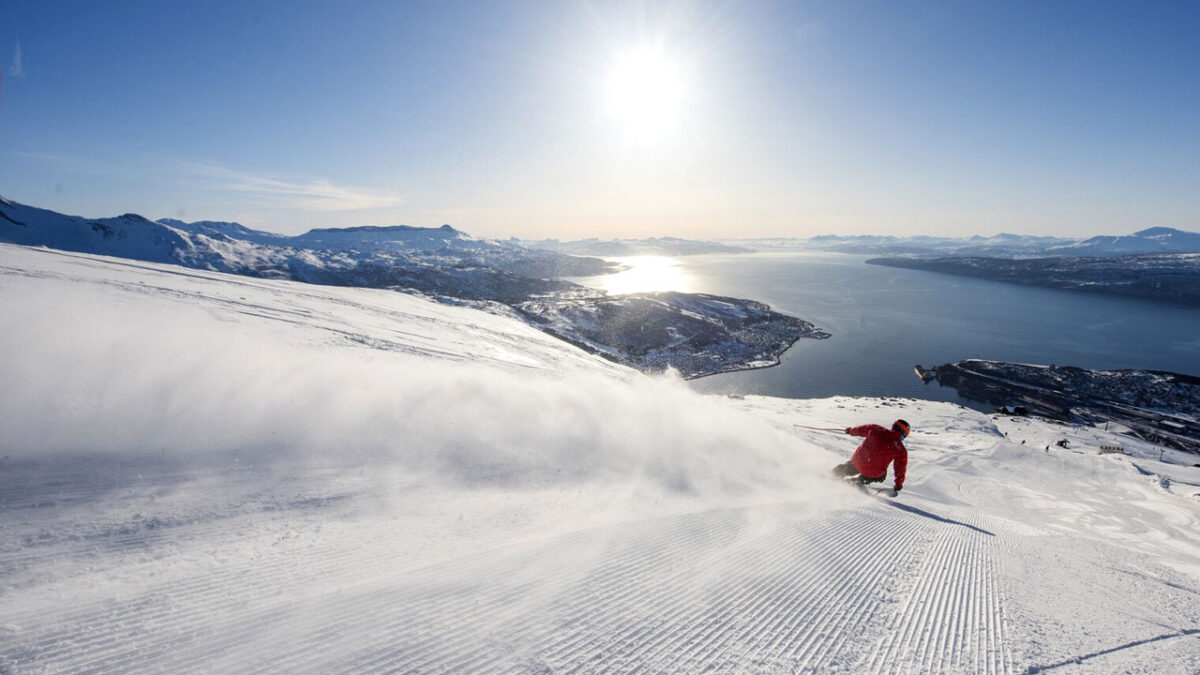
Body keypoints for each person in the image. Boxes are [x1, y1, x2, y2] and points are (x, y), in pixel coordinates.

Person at [831, 419, 909, 497]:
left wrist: (850, 431)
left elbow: (861, 429)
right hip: (873, 472)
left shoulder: (877, 429)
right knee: (882, 475)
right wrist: (898, 484)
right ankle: (859, 481)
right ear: (903, 433)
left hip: (858, 462)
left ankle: (833, 474)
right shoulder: (901, 449)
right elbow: (900, 469)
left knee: (849, 467)